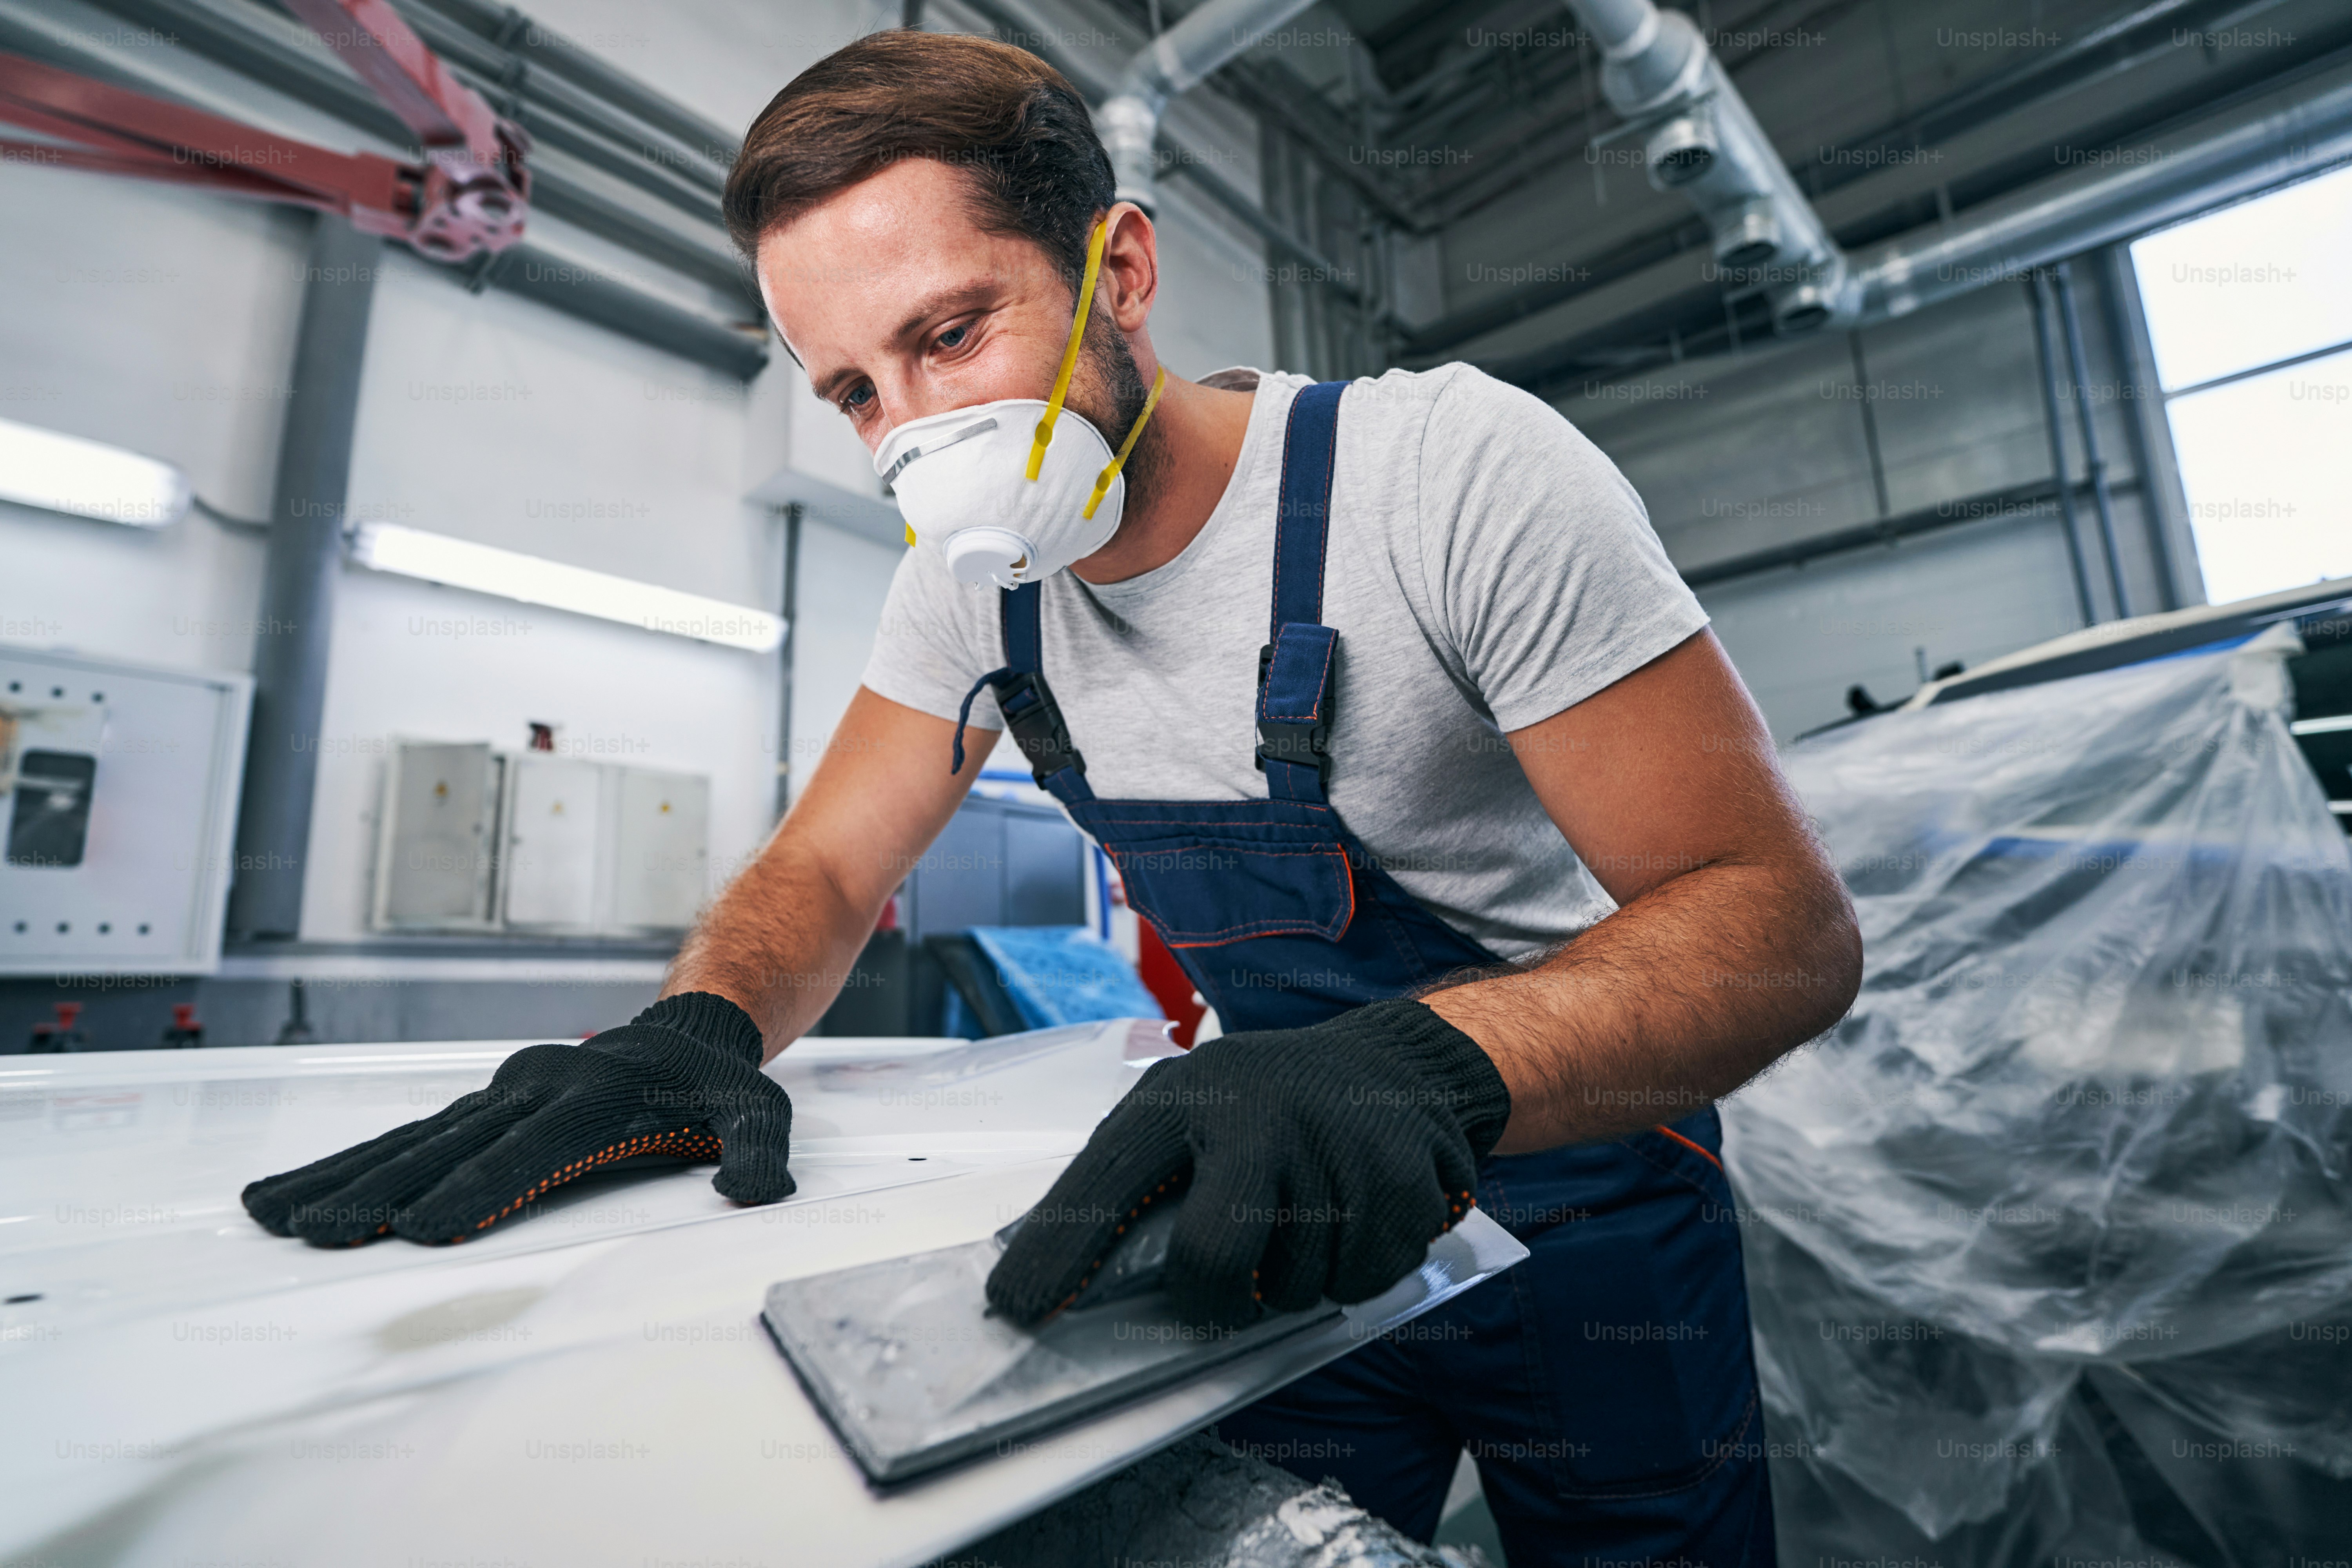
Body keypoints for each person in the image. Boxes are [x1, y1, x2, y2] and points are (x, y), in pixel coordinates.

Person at [242, 31, 1860, 1564]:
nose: (920, 432)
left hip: (1590, 1201)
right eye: (859, 392)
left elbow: (1779, 928)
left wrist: (1428, 1061)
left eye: (951, 334)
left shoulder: (1442, 479)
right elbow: (823, 866)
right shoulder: (979, 588)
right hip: (1270, 1181)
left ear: (1124, 272)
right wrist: (699, 1024)